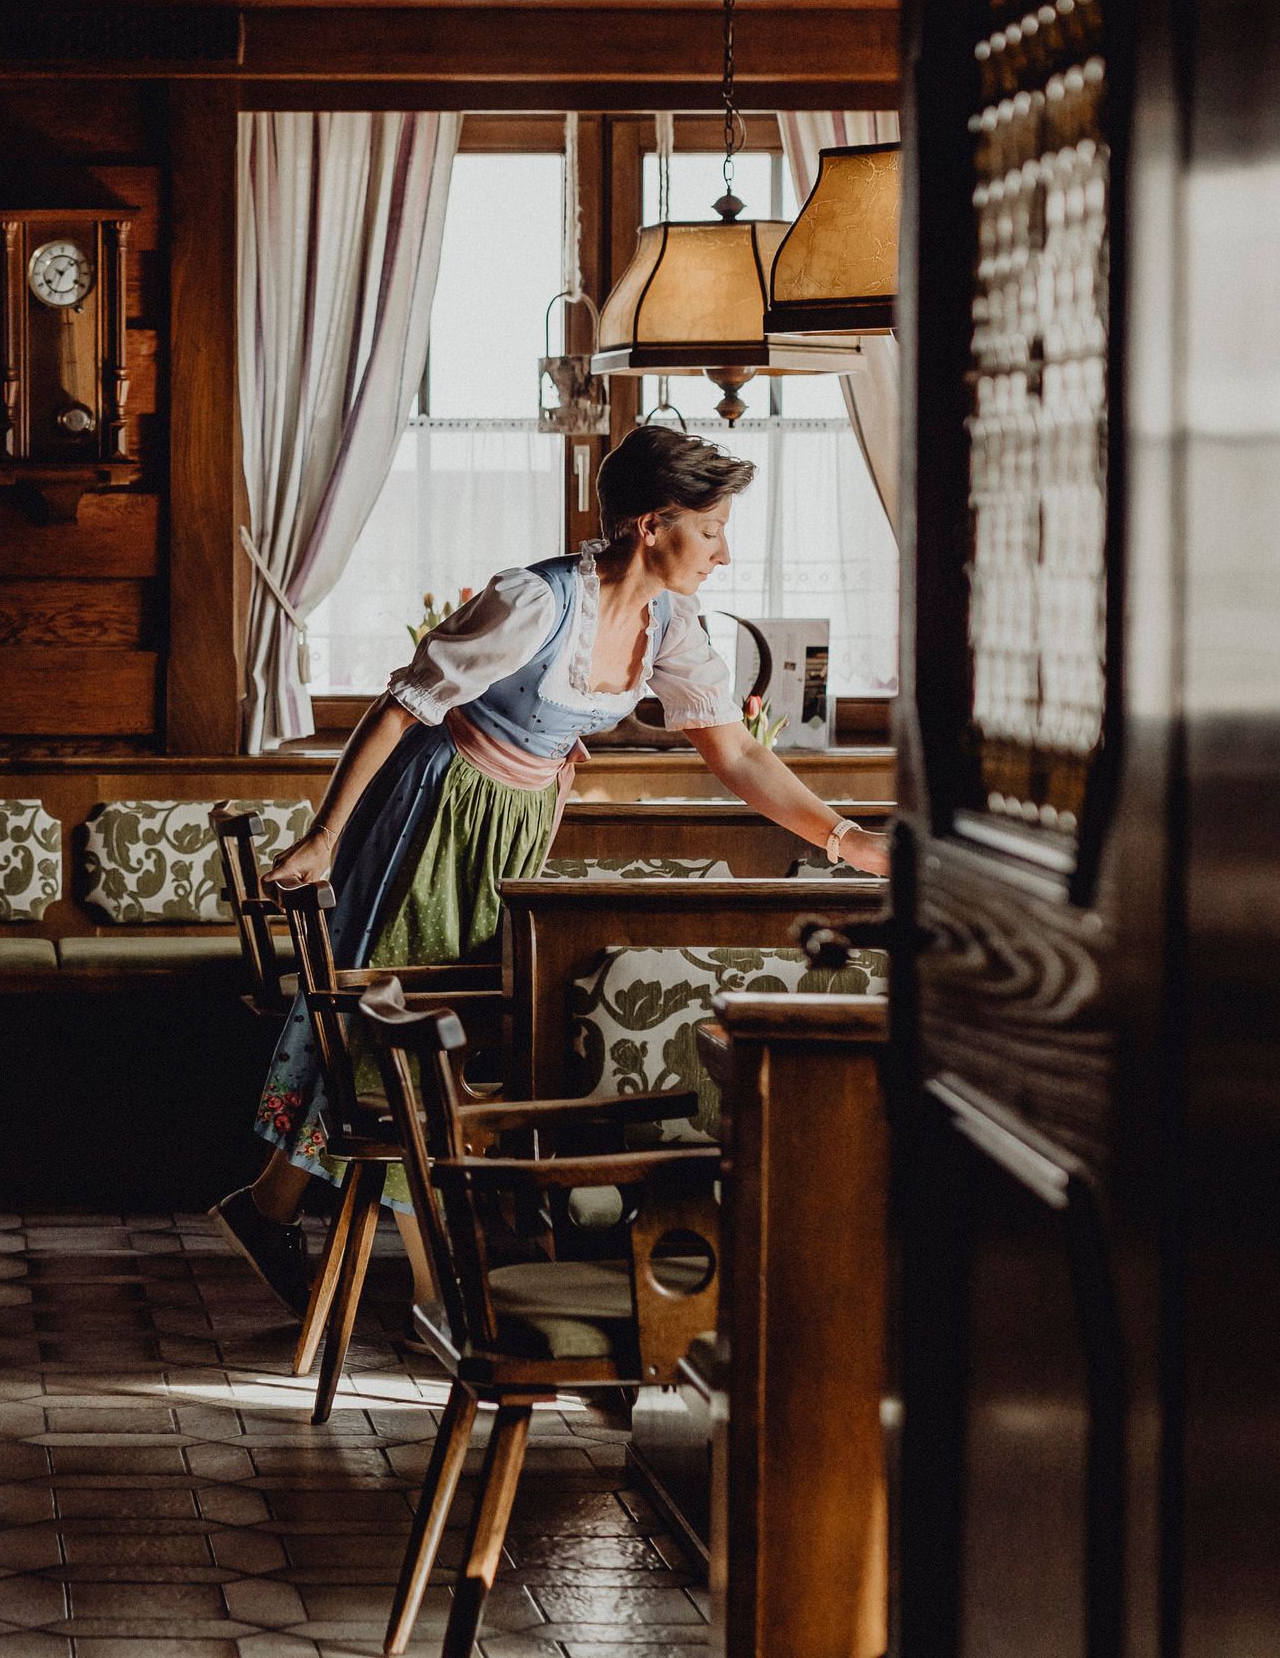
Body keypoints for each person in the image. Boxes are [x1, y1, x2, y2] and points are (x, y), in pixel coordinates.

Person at [209, 423, 890, 1312]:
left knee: (437, 1025)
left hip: (516, 824)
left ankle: (280, 1211)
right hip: (437, 814)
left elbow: (738, 754)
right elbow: (401, 706)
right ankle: (436, 1289)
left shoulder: (669, 622)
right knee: (407, 1021)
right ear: (651, 524)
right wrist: (326, 836)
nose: (724, 553)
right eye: (712, 529)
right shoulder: (536, 601)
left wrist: (846, 839)